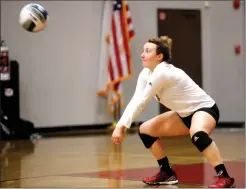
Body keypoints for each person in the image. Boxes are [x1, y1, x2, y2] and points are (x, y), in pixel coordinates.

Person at [111, 36, 235, 188]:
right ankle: (166, 173)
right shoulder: (146, 73)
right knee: (145, 130)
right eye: (143, 51)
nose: (142, 55)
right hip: (183, 115)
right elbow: (136, 99)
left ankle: (225, 176)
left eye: (147, 51)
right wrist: (122, 125)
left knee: (197, 134)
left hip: (204, 109)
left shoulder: (162, 72)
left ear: (159, 56)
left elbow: (141, 103)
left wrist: (121, 127)